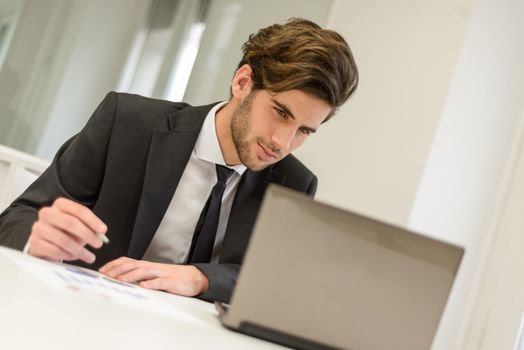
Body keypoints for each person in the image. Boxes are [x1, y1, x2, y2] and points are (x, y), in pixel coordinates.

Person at [0, 18, 358, 303]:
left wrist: (202, 278)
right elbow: (17, 217)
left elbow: (271, 285)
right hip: (81, 311)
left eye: (304, 131)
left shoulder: (294, 182)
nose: (283, 142)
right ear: (243, 82)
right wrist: (36, 238)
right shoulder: (126, 121)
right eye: (280, 112)